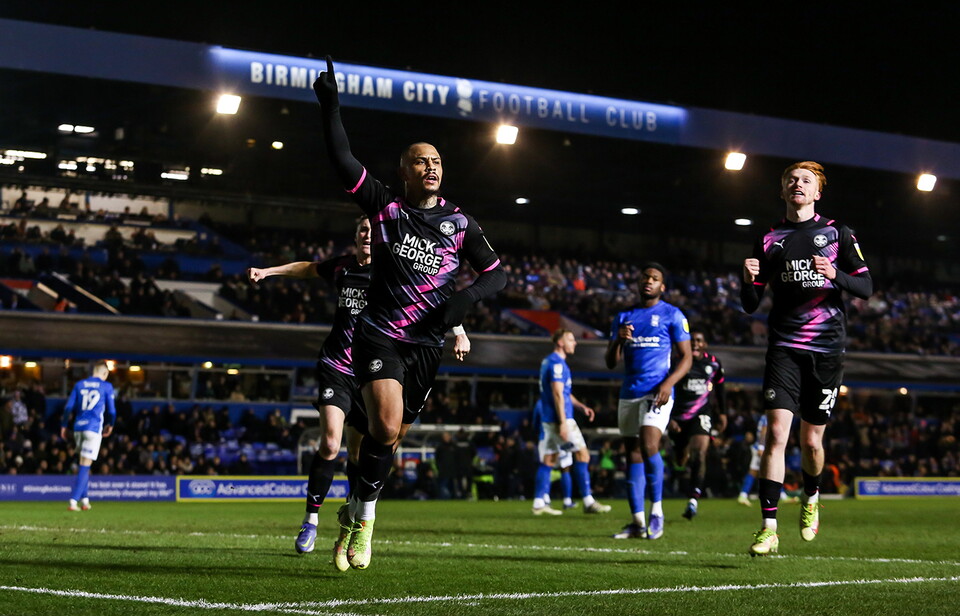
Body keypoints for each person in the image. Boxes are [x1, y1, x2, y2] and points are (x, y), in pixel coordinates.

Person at [313, 56, 506, 570]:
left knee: (392, 437)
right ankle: (367, 525)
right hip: (379, 336)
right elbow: (341, 158)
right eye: (421, 160)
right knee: (386, 424)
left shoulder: (460, 222)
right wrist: (331, 107)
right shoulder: (384, 207)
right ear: (404, 172)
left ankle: (354, 511)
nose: (432, 166)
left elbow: (498, 274)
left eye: (437, 160)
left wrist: (465, 300)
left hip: (427, 345)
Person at [248, 217, 470, 569]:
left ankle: (350, 520)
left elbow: (436, 291)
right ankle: (312, 520)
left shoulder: (395, 267)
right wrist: (269, 271)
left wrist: (458, 329)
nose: (368, 235)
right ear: (355, 237)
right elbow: (308, 268)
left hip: (377, 372)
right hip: (339, 367)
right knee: (332, 444)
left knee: (367, 452)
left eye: (372, 230)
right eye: (362, 230)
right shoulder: (343, 269)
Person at [741, 161, 872, 556]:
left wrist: (834, 273)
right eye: (791, 180)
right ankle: (768, 527)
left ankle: (811, 497)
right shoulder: (767, 239)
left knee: (812, 442)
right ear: (783, 191)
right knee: (776, 435)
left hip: (827, 350)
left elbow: (865, 286)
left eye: (806, 181)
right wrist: (746, 280)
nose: (797, 184)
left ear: (817, 193)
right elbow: (751, 305)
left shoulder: (837, 233)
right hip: (783, 348)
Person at [606, 263, 692, 540]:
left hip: (657, 391)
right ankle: (636, 522)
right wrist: (617, 342)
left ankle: (657, 512)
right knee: (632, 453)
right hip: (629, 391)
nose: (649, 281)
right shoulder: (624, 316)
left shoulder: (672, 315)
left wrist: (668, 384)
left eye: (655, 279)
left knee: (649, 443)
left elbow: (687, 358)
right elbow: (610, 363)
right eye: (645, 277)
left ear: (662, 286)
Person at [532, 329, 611, 516]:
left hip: (550, 419)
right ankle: (588, 501)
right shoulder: (557, 364)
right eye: (570, 339)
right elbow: (558, 393)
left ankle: (538, 503)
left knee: (549, 460)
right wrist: (563, 422)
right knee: (583, 455)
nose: (574, 343)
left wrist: (580, 406)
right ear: (560, 342)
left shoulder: (549, 362)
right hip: (561, 418)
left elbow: (564, 393)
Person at [668, 328, 727, 520]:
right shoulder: (677, 362)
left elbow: (720, 388)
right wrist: (668, 418)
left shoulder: (713, 363)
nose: (695, 343)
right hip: (678, 417)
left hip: (701, 414)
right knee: (680, 459)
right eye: (691, 340)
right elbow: (666, 388)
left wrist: (723, 413)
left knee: (699, 454)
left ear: (704, 344)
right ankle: (680, 451)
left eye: (699, 340)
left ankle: (693, 499)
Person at [60, 361, 116, 511]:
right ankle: (73, 500)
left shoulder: (79, 384)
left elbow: (68, 408)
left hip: (78, 428)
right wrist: (110, 424)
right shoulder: (106, 386)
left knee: (84, 463)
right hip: (93, 428)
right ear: (105, 373)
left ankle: (85, 500)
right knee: (85, 465)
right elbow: (111, 411)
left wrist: (64, 426)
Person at [737, 413, 797, 506]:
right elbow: (764, 432)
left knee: (755, 471)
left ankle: (743, 495)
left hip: (761, 448)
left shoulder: (765, 416)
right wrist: (761, 447)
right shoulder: (770, 416)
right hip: (763, 449)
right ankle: (782, 495)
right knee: (773, 471)